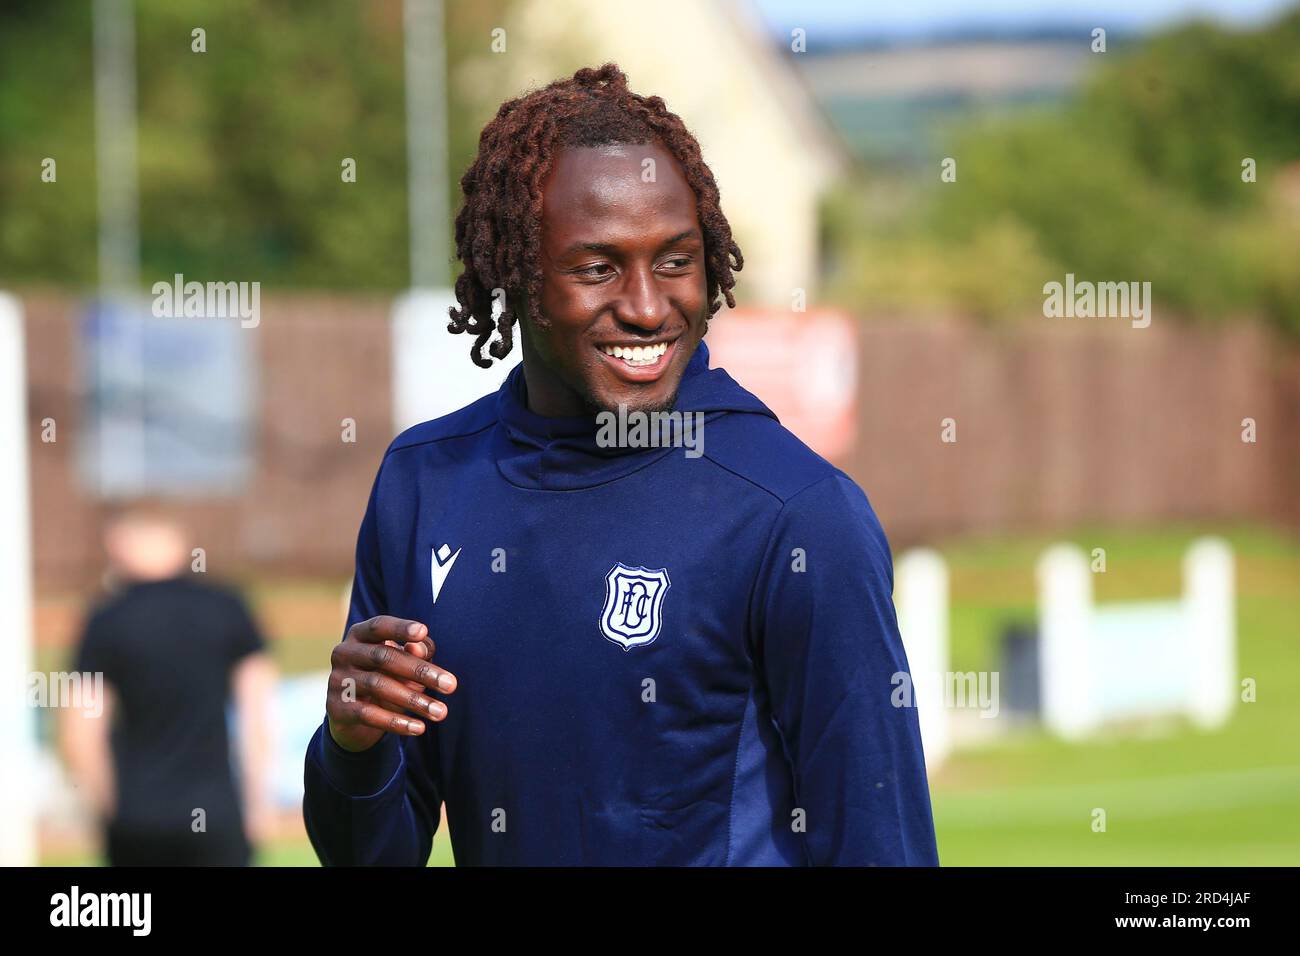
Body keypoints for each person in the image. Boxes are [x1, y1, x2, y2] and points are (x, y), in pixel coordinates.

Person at [303, 63, 939, 866]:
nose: (646, 306)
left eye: (675, 261)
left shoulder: (795, 513)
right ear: (515, 273)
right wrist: (351, 747)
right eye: (598, 268)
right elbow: (377, 855)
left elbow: (881, 844)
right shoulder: (426, 481)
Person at [61, 503, 276, 866]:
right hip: (216, 813)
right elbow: (258, 710)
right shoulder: (226, 606)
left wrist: (107, 810)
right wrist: (258, 802)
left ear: (122, 545)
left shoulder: (106, 618)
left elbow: (80, 730)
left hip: (138, 817)